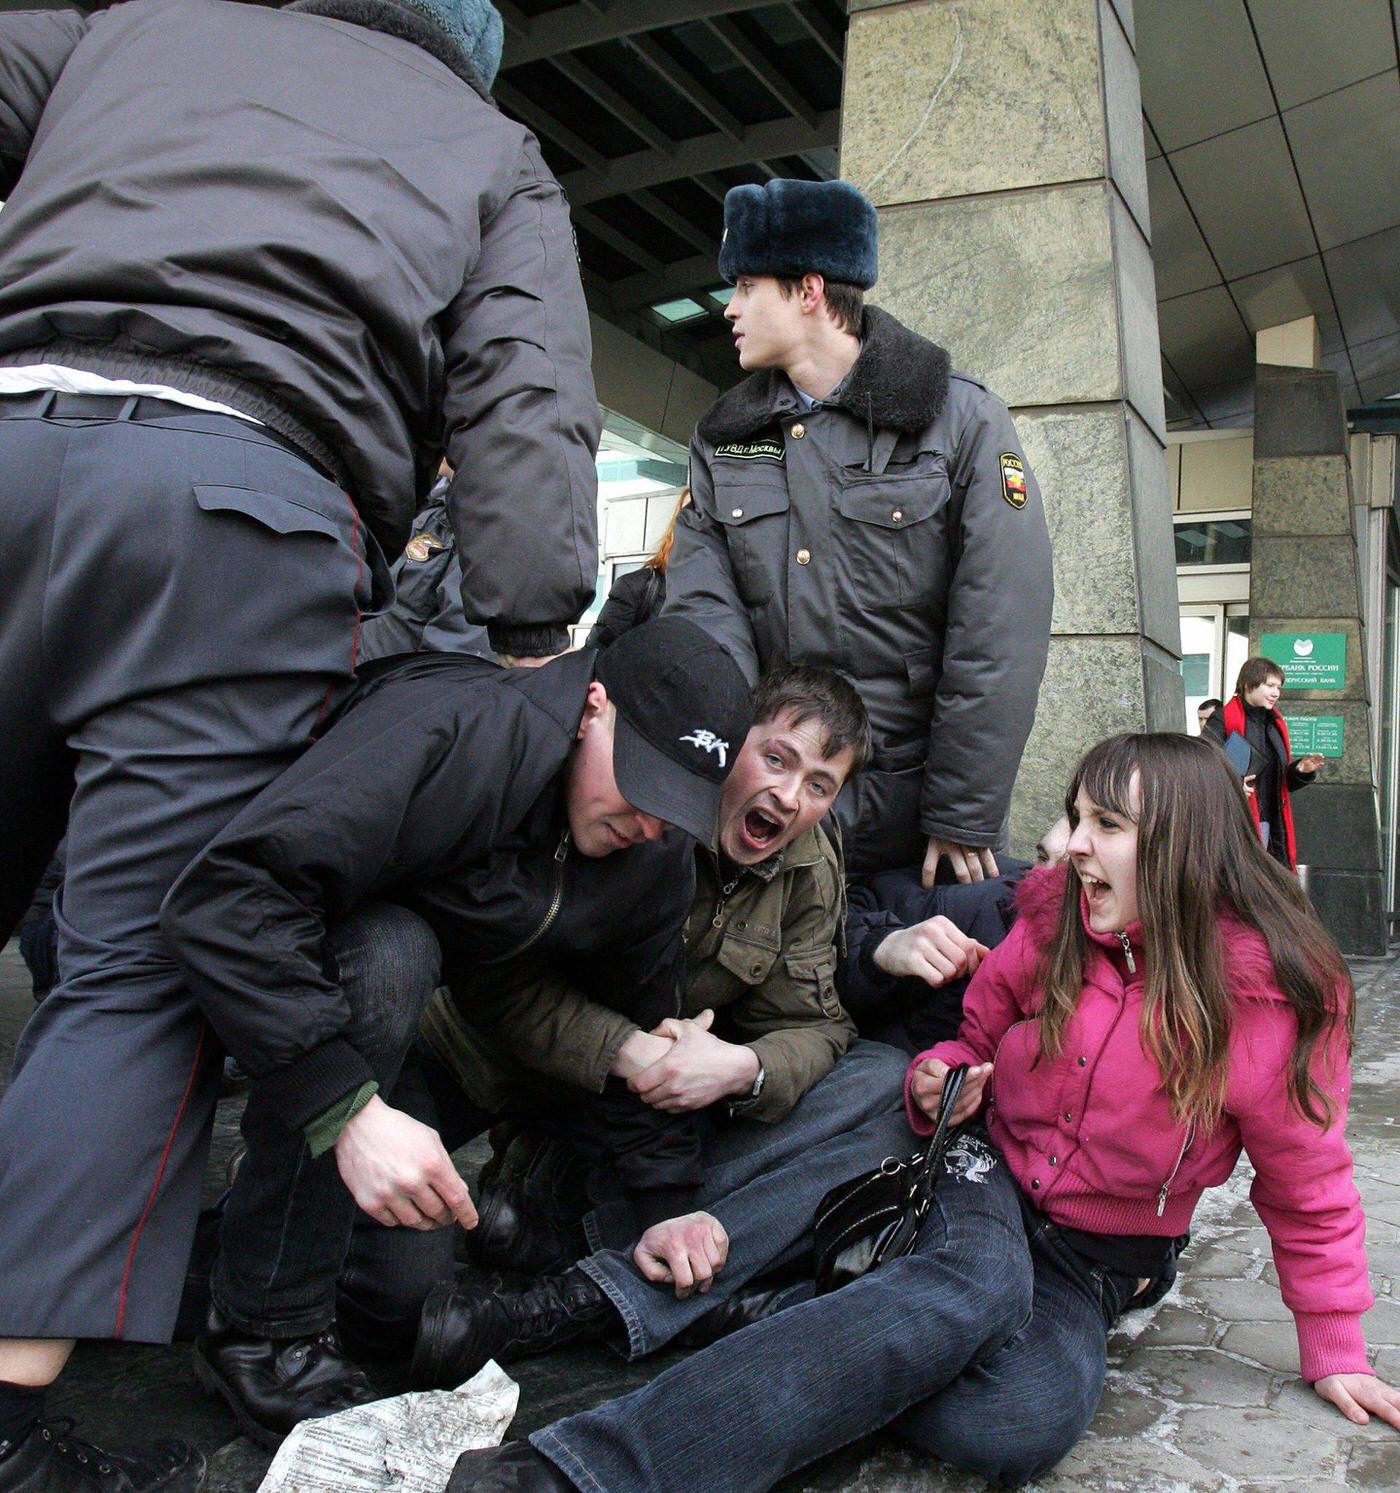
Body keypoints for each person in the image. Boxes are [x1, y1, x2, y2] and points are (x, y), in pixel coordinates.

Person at [0, 0, 601, 1485]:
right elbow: (528, 408)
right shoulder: (491, 148)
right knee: (133, 974)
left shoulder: (123, 28)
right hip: (236, 515)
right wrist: (533, 626)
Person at [454, 732, 1398, 1493]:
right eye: (1075, 816)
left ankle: (796, 1312)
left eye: (1105, 823)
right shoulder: (1058, 919)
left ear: (1187, 845)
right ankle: (579, 1469)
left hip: (1097, 1261)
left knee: (1015, 1419)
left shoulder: (1273, 1004)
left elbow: (1307, 1181)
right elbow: (972, 1029)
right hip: (982, 1179)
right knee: (974, 1287)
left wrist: (1334, 1344)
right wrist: (942, 1071)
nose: (1070, 843)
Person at [384, 669, 976, 1386]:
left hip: (636, 1119)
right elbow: (500, 983)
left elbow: (813, 1024)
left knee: (883, 1083)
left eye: (821, 784)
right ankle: (589, 1239)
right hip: (488, 1064)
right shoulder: (639, 804)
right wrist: (627, 1051)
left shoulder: (808, 860)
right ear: (730, 745)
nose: (790, 797)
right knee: (385, 1298)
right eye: (778, 758)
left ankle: (575, 1254)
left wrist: (740, 1067)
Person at [664, 176, 1053, 882]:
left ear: (809, 291)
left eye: (748, 285)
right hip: (772, 813)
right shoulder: (722, 438)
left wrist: (962, 811)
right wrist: (724, 774)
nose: (731, 308)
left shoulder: (961, 421)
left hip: (914, 825)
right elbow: (703, 618)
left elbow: (1000, 627)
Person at [1204, 658, 1321, 870]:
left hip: (1274, 823)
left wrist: (1300, 771)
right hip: (1237, 822)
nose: (1276, 693)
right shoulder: (1223, 719)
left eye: (1279, 687)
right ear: (1249, 685)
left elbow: (1278, 782)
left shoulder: (1275, 723)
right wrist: (1233, 785)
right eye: (1270, 686)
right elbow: (1203, 765)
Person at [589, 490, 690, 651]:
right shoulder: (637, 588)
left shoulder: (733, 593)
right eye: (689, 513)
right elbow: (594, 658)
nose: (698, 523)